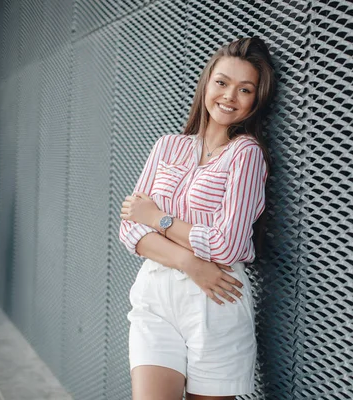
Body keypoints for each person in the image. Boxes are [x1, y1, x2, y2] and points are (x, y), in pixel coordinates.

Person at [118, 37, 276, 400]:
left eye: (244, 89)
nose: (229, 96)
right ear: (207, 83)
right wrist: (190, 262)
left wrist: (160, 218)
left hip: (215, 299)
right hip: (157, 296)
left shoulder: (246, 155)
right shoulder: (167, 146)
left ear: (256, 100)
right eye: (222, 82)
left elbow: (230, 244)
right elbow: (130, 229)